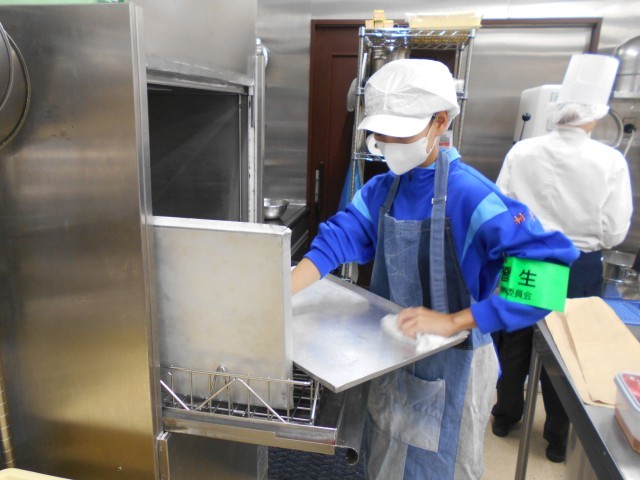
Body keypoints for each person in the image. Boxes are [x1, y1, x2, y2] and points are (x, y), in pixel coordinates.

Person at [292, 58, 579, 479]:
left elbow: (547, 276)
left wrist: (453, 321)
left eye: (399, 132)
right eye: (380, 133)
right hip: (392, 356)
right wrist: (282, 291)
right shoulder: (381, 190)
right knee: (385, 460)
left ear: (440, 121)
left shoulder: (472, 195)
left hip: (453, 366)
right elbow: (336, 240)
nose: (387, 142)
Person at [493, 53, 633, 463]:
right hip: (577, 265)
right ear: (597, 114)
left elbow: (502, 211)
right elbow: (614, 231)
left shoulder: (523, 151)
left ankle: (505, 415)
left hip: (527, 259)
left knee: (515, 344)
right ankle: (557, 437)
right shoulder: (610, 161)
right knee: (567, 351)